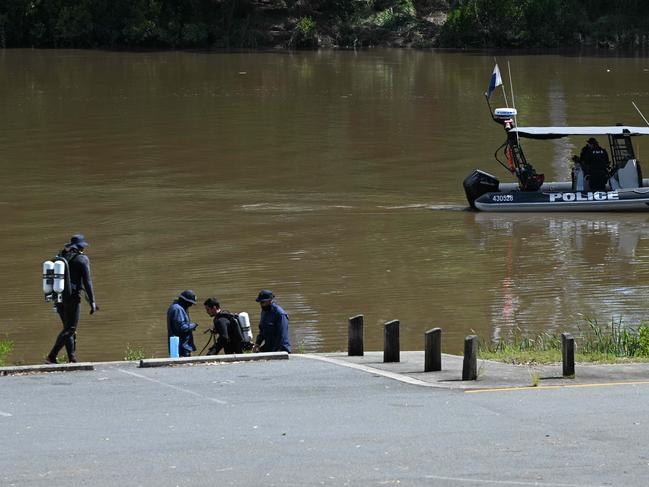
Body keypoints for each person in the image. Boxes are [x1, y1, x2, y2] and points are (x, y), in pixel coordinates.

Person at [46, 234, 98, 364]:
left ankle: (72, 359)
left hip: (58, 297)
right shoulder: (82, 259)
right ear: (81, 247)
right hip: (72, 298)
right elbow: (87, 281)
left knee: (67, 328)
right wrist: (92, 301)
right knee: (71, 329)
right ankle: (51, 356)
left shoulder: (61, 256)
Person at [167, 290, 199, 357]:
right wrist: (193, 325)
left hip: (179, 346)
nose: (191, 305)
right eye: (190, 303)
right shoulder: (178, 309)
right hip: (181, 347)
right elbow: (182, 328)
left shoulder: (177, 307)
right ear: (185, 301)